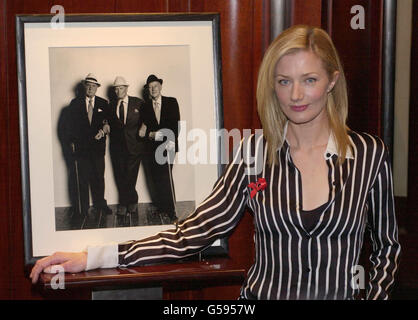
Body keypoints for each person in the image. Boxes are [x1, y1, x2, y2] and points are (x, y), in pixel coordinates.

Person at [30, 25, 401, 300]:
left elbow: (387, 249)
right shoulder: (253, 154)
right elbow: (190, 233)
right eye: (284, 81)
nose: (296, 95)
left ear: (332, 81)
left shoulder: (369, 155)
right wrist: (94, 256)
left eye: (310, 79)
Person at [65, 73, 112, 226]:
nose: (91, 88)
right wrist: (72, 141)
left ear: (97, 88)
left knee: (99, 177)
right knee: (82, 179)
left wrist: (104, 129)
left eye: (94, 86)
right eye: (88, 85)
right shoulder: (75, 103)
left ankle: (100, 204)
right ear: (85, 87)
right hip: (81, 149)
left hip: (98, 149)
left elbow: (109, 122)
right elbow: (68, 125)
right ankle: (83, 208)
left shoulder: (103, 103)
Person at [138, 74, 181, 223]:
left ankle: (173, 212)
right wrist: (151, 134)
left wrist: (157, 135)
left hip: (168, 145)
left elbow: (175, 126)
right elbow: (142, 132)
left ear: (161, 87)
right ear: (148, 91)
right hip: (152, 149)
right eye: (150, 87)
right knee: (157, 178)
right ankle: (163, 207)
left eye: (155, 86)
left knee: (166, 177)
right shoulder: (144, 107)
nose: (153, 89)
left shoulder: (171, 102)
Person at [107, 76, 145, 218]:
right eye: (116, 89)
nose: (118, 91)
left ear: (126, 88)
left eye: (121, 88)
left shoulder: (138, 103)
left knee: (131, 175)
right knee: (120, 175)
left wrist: (144, 128)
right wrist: (105, 124)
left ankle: (127, 202)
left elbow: (147, 118)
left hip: (135, 145)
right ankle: (128, 201)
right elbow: (107, 120)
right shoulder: (111, 105)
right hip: (117, 147)